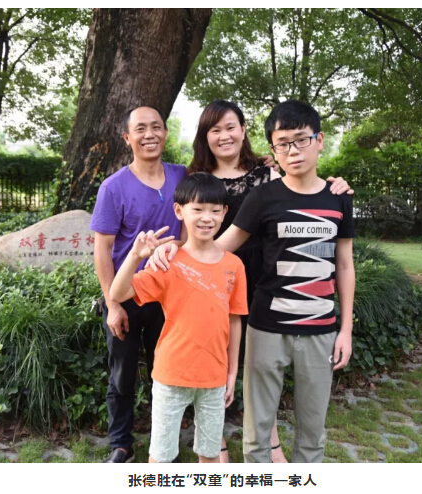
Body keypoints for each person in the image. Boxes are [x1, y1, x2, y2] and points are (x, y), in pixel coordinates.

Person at [150, 100, 355, 462]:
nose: (293, 150)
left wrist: (346, 329)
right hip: (266, 322)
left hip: (320, 327)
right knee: (257, 432)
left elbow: (345, 265)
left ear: (319, 140)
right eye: (283, 144)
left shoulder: (338, 199)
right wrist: (173, 250)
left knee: (313, 432)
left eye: (301, 140)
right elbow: (219, 245)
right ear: (273, 149)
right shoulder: (262, 196)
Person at [110, 173, 248, 463]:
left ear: (225, 212)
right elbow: (118, 292)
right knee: (160, 458)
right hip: (171, 375)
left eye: (215, 210)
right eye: (197, 209)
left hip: (214, 377)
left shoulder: (234, 265)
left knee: (210, 454)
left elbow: (235, 319)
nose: (207, 217)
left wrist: (232, 371)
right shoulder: (167, 262)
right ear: (179, 211)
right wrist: (135, 257)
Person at [90, 106, 187, 463]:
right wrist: (112, 305)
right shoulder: (113, 187)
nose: (150, 134)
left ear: (165, 133)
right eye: (141, 129)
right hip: (127, 295)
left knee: (168, 372)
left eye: (156, 127)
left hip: (169, 296)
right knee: (122, 375)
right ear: (127, 138)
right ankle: (122, 444)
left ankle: (165, 444)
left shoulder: (182, 176)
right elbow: (102, 250)